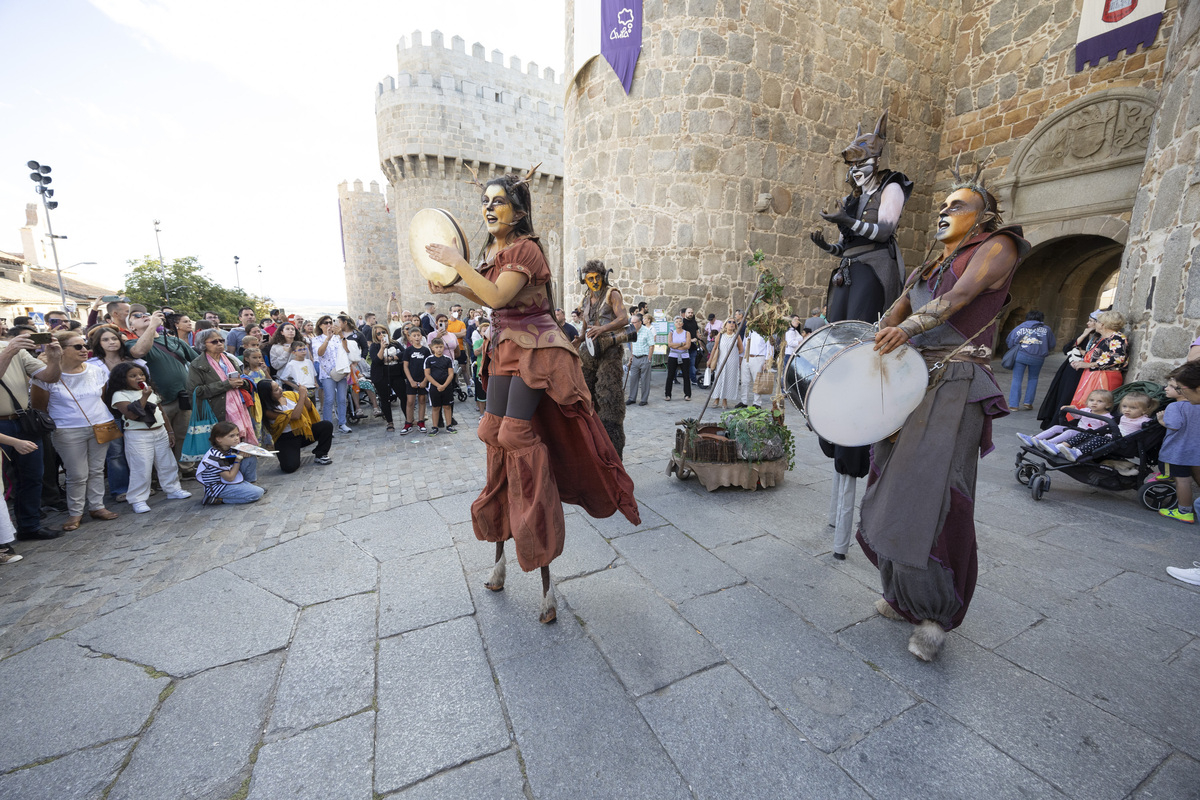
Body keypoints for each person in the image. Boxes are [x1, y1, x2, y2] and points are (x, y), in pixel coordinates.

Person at [424, 168, 639, 623]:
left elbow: (501, 297)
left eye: (497, 200)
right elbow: (487, 297)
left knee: (519, 441)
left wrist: (457, 264)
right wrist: (453, 285)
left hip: (536, 352)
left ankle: (544, 575)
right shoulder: (494, 250)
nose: (488, 207)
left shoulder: (526, 249)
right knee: (494, 439)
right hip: (502, 350)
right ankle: (501, 558)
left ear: (518, 210)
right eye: (485, 199)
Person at [860, 160, 1031, 662]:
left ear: (983, 216)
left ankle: (935, 614)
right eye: (942, 204)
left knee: (935, 495)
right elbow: (892, 315)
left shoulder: (997, 247)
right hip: (910, 381)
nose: (944, 211)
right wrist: (869, 337)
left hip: (956, 383)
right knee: (887, 483)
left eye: (956, 205)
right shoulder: (925, 266)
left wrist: (908, 330)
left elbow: (961, 296)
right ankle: (902, 596)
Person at [31, 331, 121, 532]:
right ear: (60, 351)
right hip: (67, 429)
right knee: (77, 473)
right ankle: (75, 512)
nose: (85, 350)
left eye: (85, 345)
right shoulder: (45, 376)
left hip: (101, 424)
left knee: (97, 469)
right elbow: (39, 407)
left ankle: (97, 507)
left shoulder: (96, 370)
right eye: (78, 347)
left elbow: (102, 396)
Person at [104, 362, 191, 513]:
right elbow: (132, 414)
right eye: (133, 376)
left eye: (141, 374)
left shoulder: (150, 390)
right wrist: (144, 396)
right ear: (123, 379)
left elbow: (161, 412)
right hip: (138, 434)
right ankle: (138, 499)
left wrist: (169, 431)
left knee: (167, 462)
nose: (139, 377)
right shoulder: (120, 395)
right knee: (141, 466)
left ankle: (172, 489)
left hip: (159, 431)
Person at [0, 332, 63, 540]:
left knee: (33, 475)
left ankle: (29, 526)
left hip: (23, 420)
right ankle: (4, 536)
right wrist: (9, 351)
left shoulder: (12, 347)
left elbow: (49, 378)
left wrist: (54, 358)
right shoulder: (10, 348)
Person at [127, 309, 198, 466]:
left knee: (183, 435)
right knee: (163, 439)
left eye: (146, 314)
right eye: (137, 316)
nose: (144, 315)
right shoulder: (131, 343)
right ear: (132, 327)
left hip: (183, 397)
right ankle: (164, 474)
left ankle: (185, 468)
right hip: (158, 401)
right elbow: (139, 351)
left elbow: (198, 361)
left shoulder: (174, 341)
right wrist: (153, 325)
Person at [576, 259, 631, 457]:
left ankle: (613, 449)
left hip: (610, 350)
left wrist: (603, 328)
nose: (594, 282)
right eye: (590, 279)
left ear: (603, 276)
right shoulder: (585, 299)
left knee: (609, 397)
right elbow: (585, 324)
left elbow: (624, 319)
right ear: (584, 280)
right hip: (590, 352)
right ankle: (589, 441)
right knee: (584, 394)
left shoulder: (612, 293)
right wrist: (579, 339)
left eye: (597, 277)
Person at [86, 325, 147, 502]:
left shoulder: (135, 362)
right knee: (115, 453)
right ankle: (120, 488)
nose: (111, 342)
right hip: (106, 413)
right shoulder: (91, 365)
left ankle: (141, 486)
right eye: (105, 339)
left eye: (114, 339)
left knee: (137, 450)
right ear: (98, 343)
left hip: (135, 410)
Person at [187, 330, 261, 468]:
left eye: (221, 340)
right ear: (203, 344)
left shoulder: (229, 359)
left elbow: (242, 379)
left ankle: (247, 478)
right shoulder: (197, 365)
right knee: (226, 446)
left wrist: (242, 383)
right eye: (214, 341)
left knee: (242, 443)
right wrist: (227, 384)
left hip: (238, 406)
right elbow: (197, 391)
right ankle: (230, 478)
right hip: (217, 410)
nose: (219, 343)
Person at [1036, 312, 1102, 430]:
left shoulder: (1100, 338)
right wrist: (1084, 335)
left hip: (1080, 371)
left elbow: (1094, 355)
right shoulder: (1086, 334)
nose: (1088, 323)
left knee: (1069, 395)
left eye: (1091, 321)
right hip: (1069, 369)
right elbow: (1067, 348)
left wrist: (1083, 352)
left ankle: (1062, 423)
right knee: (1061, 393)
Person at [1051, 392, 1154, 462]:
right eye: (1124, 407)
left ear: (1144, 411)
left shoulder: (1144, 420)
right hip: (1112, 436)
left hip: (1122, 442)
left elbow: (1150, 428)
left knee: (1097, 439)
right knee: (1085, 434)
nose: (1127, 410)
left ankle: (1076, 453)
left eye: (1133, 408)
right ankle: (1061, 446)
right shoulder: (1123, 416)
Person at [257, 379, 333, 471]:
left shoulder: (289, 395)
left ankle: (321, 454)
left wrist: (304, 396)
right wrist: (301, 396)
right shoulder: (268, 411)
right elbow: (295, 416)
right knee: (289, 468)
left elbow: (309, 408)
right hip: (285, 439)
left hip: (302, 431)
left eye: (279, 386)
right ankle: (290, 453)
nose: (280, 389)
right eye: (276, 390)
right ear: (268, 395)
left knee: (326, 426)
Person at [1157, 364, 1200, 523]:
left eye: (1175, 387)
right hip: (1196, 450)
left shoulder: (1175, 406)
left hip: (1178, 451)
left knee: (1183, 480)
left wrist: (1162, 421)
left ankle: (1184, 511)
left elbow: (1174, 425)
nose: (1166, 388)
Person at [1017, 390, 1113, 454]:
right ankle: (1035, 438)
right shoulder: (1087, 410)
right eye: (1092, 400)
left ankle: (1049, 443)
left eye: (1099, 401)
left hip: (1087, 434)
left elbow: (1108, 430)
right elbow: (1077, 416)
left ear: (1108, 405)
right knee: (1056, 427)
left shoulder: (1107, 418)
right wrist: (1072, 409)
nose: (1094, 403)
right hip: (1078, 429)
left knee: (1069, 432)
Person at [1068, 310, 1128, 409]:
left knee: (1098, 406)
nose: (1095, 324)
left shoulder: (1117, 338)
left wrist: (1088, 365)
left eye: (1098, 322)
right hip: (1092, 375)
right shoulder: (1102, 338)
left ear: (1103, 324)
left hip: (1105, 377)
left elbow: (1117, 359)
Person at [196, 421, 264, 504]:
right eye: (232, 436)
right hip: (219, 486)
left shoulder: (231, 448)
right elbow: (230, 478)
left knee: (250, 458)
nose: (236, 438)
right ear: (219, 439)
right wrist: (238, 459)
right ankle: (216, 499)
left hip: (229, 480)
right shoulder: (215, 456)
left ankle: (250, 485)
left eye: (237, 435)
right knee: (257, 493)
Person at [1005, 310, 1056, 410]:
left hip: (1021, 355)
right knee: (1033, 378)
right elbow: (1052, 344)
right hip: (1038, 358)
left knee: (1017, 379)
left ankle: (1014, 405)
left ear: (1027, 317)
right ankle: (1028, 403)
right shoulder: (1047, 329)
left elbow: (1010, 340)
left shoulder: (1020, 327)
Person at [312, 315, 352, 434]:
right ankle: (327, 426)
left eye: (330, 322)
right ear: (320, 325)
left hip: (340, 371)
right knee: (329, 400)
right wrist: (327, 339)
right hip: (327, 373)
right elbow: (319, 353)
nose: (329, 324)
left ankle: (342, 423)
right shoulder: (316, 339)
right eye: (325, 323)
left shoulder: (338, 337)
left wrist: (341, 335)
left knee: (342, 399)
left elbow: (347, 350)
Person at [424, 338, 457, 434]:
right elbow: (427, 374)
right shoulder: (429, 360)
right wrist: (438, 385)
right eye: (437, 347)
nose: (439, 349)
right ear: (432, 348)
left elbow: (451, 374)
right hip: (434, 387)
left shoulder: (447, 359)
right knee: (436, 407)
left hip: (447, 387)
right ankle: (435, 427)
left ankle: (449, 425)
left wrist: (444, 385)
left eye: (441, 347)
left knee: (447, 406)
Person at [709, 319, 743, 409]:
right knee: (719, 379)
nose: (731, 324)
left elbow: (741, 349)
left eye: (733, 322)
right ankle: (716, 399)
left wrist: (733, 355)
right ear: (725, 324)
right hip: (721, 361)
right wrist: (710, 359)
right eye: (729, 322)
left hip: (732, 362)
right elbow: (715, 347)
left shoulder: (736, 336)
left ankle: (724, 400)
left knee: (728, 380)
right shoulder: (720, 335)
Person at [402, 326, 431, 433]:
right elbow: (405, 366)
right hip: (412, 380)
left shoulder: (426, 350)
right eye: (414, 336)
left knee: (422, 400)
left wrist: (425, 380)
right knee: (410, 401)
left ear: (421, 337)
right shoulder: (408, 351)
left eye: (418, 335)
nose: (417, 337)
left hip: (423, 379)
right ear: (410, 338)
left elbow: (428, 367)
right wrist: (410, 380)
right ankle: (408, 423)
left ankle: (421, 421)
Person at [737, 326, 773, 408]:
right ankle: (744, 401)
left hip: (758, 357)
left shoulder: (765, 333)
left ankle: (757, 403)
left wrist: (767, 362)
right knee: (744, 381)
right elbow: (744, 345)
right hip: (747, 357)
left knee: (757, 381)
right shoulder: (748, 332)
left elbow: (769, 347)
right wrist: (741, 358)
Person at [625, 313, 653, 406]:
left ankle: (644, 400)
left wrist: (649, 358)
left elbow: (651, 345)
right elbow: (632, 343)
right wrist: (631, 356)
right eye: (631, 322)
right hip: (635, 358)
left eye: (634, 322)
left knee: (645, 380)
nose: (632, 324)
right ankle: (632, 398)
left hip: (644, 358)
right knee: (633, 379)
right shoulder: (632, 331)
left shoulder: (647, 331)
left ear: (640, 322)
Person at [665, 315, 694, 401]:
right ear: (674, 324)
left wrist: (676, 346)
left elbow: (688, 346)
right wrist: (681, 344)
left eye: (680, 321)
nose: (678, 323)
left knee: (686, 375)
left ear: (682, 323)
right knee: (670, 375)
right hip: (673, 356)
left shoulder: (687, 333)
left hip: (684, 356)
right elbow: (670, 345)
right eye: (676, 322)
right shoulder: (671, 333)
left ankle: (687, 394)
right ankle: (668, 394)